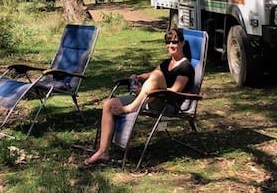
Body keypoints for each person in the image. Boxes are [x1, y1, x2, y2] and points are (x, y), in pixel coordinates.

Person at [82, 27, 194, 167]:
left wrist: (149, 90)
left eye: (175, 42)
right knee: (109, 104)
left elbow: (174, 91)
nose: (171, 45)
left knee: (157, 76)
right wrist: (138, 77)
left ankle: (129, 108)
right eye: (168, 42)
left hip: (167, 103)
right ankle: (103, 151)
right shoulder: (167, 63)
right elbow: (151, 74)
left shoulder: (186, 67)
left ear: (182, 43)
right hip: (149, 98)